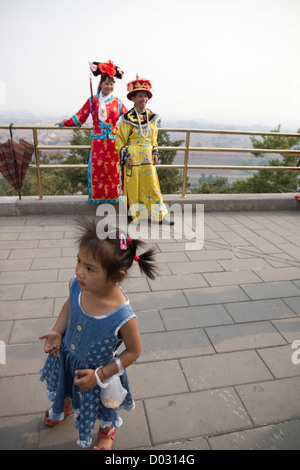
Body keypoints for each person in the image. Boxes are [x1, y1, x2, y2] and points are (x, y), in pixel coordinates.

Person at [39, 218, 157, 450]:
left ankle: (106, 431)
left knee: (106, 406)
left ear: (116, 276)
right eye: (79, 261)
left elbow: (134, 351)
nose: (79, 272)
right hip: (68, 358)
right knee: (68, 388)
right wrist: (57, 331)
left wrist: (101, 375)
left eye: (90, 268)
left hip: (100, 374)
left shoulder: (123, 315)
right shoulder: (78, 286)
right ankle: (65, 405)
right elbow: (70, 305)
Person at [58, 61, 127, 204]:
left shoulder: (118, 103)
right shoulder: (92, 101)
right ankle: (98, 198)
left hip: (113, 143)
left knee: (113, 171)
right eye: (106, 83)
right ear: (101, 84)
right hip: (98, 144)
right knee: (98, 170)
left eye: (111, 84)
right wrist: (64, 123)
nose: (109, 87)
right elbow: (79, 118)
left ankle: (113, 197)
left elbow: (128, 119)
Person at [115, 75, 174, 224]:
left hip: (148, 156)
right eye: (140, 96)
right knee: (133, 186)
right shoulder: (127, 118)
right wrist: (125, 156)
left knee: (152, 186)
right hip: (133, 157)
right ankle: (135, 216)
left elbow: (154, 138)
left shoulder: (152, 117)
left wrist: (155, 151)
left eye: (146, 96)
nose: (144, 99)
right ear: (133, 99)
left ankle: (159, 215)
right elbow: (120, 139)